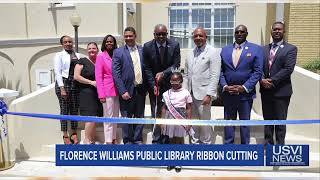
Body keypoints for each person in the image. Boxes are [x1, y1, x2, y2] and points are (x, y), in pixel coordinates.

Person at [219, 25, 263, 144]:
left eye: (242, 32)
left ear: (246, 34)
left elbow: (257, 71)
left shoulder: (256, 49)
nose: (239, 34)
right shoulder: (225, 49)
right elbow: (221, 71)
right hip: (229, 94)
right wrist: (225, 86)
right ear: (234, 34)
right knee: (228, 122)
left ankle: (245, 150)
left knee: (244, 124)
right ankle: (229, 148)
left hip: (245, 95)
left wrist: (244, 87)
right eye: (237, 32)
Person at [260, 21, 297, 145]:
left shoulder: (290, 49)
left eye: (279, 29)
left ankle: (280, 147)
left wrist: (271, 80)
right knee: (268, 121)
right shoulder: (263, 49)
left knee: (280, 121)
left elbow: (288, 69)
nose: (277, 31)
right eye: (274, 29)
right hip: (265, 91)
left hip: (281, 92)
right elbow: (258, 67)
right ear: (271, 31)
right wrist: (261, 80)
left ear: (284, 31)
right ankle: (268, 146)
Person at [143, 24, 181, 144]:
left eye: (163, 34)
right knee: (157, 111)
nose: (161, 36)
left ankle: (167, 139)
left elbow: (176, 64)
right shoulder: (147, 46)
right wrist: (152, 84)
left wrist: (163, 73)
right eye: (158, 34)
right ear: (154, 34)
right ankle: (156, 139)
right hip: (155, 86)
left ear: (167, 34)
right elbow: (147, 67)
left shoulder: (174, 45)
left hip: (170, 85)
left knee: (169, 111)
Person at [185, 27, 221, 144]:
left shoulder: (213, 52)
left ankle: (206, 146)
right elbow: (186, 74)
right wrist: (185, 93)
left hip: (204, 94)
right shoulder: (190, 53)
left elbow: (215, 75)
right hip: (190, 94)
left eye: (201, 36)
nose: (198, 38)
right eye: (195, 36)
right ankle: (195, 145)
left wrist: (210, 94)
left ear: (206, 37)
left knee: (205, 122)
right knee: (193, 121)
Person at [112, 27, 147, 144]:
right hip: (126, 90)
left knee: (139, 116)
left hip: (141, 89)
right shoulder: (118, 52)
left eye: (130, 36)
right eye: (126, 36)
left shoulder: (143, 50)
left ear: (135, 36)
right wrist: (122, 91)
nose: (128, 38)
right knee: (126, 116)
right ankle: (127, 140)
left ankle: (137, 139)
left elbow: (147, 69)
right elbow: (116, 73)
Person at [161, 72, 192, 173]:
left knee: (179, 140)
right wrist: (162, 121)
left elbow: (189, 108)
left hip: (181, 118)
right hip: (170, 117)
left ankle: (179, 162)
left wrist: (189, 122)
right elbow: (164, 108)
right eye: (172, 81)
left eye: (176, 81)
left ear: (181, 81)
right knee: (171, 140)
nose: (174, 83)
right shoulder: (166, 94)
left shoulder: (186, 93)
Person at [74, 42, 103, 144]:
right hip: (86, 93)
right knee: (90, 117)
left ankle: (92, 139)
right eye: (90, 48)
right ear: (87, 50)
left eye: (94, 48)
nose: (92, 50)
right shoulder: (82, 61)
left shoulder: (99, 61)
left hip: (96, 93)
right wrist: (91, 82)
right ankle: (87, 140)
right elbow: (76, 76)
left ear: (97, 50)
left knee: (94, 117)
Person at [54, 35, 80, 144]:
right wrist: (62, 88)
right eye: (66, 42)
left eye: (70, 41)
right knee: (64, 110)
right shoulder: (59, 55)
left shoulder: (77, 55)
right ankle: (65, 135)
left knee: (74, 109)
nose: (68, 43)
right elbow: (57, 72)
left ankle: (74, 133)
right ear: (62, 44)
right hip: (63, 83)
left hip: (74, 83)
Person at [96, 35, 120, 144]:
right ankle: (108, 141)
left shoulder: (117, 54)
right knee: (108, 117)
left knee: (115, 116)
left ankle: (113, 138)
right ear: (104, 44)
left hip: (118, 90)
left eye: (111, 42)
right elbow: (98, 76)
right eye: (107, 42)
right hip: (107, 91)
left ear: (114, 43)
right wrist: (101, 94)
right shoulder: (101, 56)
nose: (109, 43)